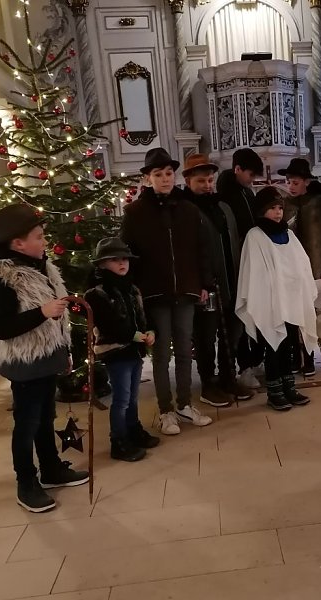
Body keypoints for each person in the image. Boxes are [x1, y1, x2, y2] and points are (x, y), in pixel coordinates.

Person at [0, 203, 89, 513]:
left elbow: (55, 317)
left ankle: (51, 469)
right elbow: (1, 328)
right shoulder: (0, 278)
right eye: (39, 236)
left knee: (45, 417)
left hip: (46, 358)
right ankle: (27, 482)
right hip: (25, 364)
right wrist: (42, 312)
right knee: (26, 423)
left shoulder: (39, 265)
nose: (45, 241)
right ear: (17, 242)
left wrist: (62, 347)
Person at [121, 148, 213, 436]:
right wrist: (136, 288)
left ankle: (185, 404)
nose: (165, 179)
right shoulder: (135, 213)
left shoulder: (188, 209)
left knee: (185, 350)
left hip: (186, 290)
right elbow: (128, 254)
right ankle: (166, 411)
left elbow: (202, 249)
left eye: (169, 174)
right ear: (148, 179)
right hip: (155, 293)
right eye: (158, 175)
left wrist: (204, 284)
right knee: (162, 354)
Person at [181, 153, 255, 407]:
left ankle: (228, 377)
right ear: (188, 180)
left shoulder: (223, 207)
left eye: (210, 180)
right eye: (201, 181)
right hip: (205, 285)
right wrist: (199, 283)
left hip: (231, 280)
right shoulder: (186, 210)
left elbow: (233, 241)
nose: (207, 185)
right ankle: (208, 385)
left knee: (231, 334)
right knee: (206, 336)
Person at [236, 187, 318, 411]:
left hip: (291, 300)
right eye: (272, 208)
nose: (277, 212)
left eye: (280, 208)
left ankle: (289, 387)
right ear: (262, 210)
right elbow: (256, 273)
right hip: (270, 302)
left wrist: (299, 284)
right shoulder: (255, 236)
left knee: (290, 345)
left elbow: (301, 264)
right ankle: (274, 392)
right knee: (273, 347)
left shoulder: (288, 234)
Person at [84, 237, 160, 462]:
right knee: (122, 399)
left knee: (133, 396)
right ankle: (118, 440)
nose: (122, 263)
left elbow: (143, 316)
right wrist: (133, 335)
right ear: (101, 263)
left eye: (124, 259)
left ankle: (133, 429)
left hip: (134, 350)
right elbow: (108, 324)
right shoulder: (96, 294)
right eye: (115, 259)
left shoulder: (132, 288)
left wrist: (151, 331)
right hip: (116, 351)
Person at [279, 157, 321, 376]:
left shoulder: (318, 201)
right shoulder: (285, 205)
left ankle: (310, 357)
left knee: (309, 315)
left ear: (306, 182)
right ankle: (296, 356)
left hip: (314, 268)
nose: (291, 186)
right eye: (288, 182)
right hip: (291, 269)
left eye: (295, 182)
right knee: (292, 315)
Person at [217, 147, 266, 388]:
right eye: (250, 175)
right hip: (236, 266)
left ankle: (255, 362)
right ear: (237, 169)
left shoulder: (246, 193)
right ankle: (243, 367)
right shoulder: (225, 196)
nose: (252, 180)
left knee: (255, 315)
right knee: (239, 317)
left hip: (253, 263)